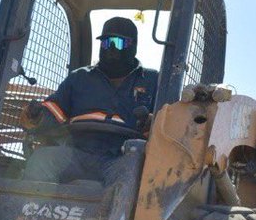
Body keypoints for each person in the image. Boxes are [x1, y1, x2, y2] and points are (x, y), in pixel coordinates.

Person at [20, 17, 158, 184]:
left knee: (134, 173)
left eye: (118, 43)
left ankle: (117, 211)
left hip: (122, 158)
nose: (112, 49)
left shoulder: (152, 81)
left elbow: (168, 122)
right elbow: (54, 111)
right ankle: (29, 210)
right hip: (78, 153)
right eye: (106, 43)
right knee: (42, 159)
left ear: (133, 45)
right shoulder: (79, 78)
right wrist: (38, 116)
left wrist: (151, 122)